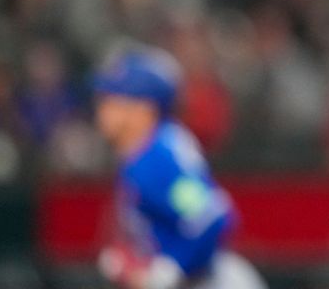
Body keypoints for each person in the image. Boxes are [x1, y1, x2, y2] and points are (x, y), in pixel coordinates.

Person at [93, 46, 266, 289]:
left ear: (144, 109)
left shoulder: (158, 156)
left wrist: (168, 270)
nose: (102, 109)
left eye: (113, 100)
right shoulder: (145, 151)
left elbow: (211, 216)